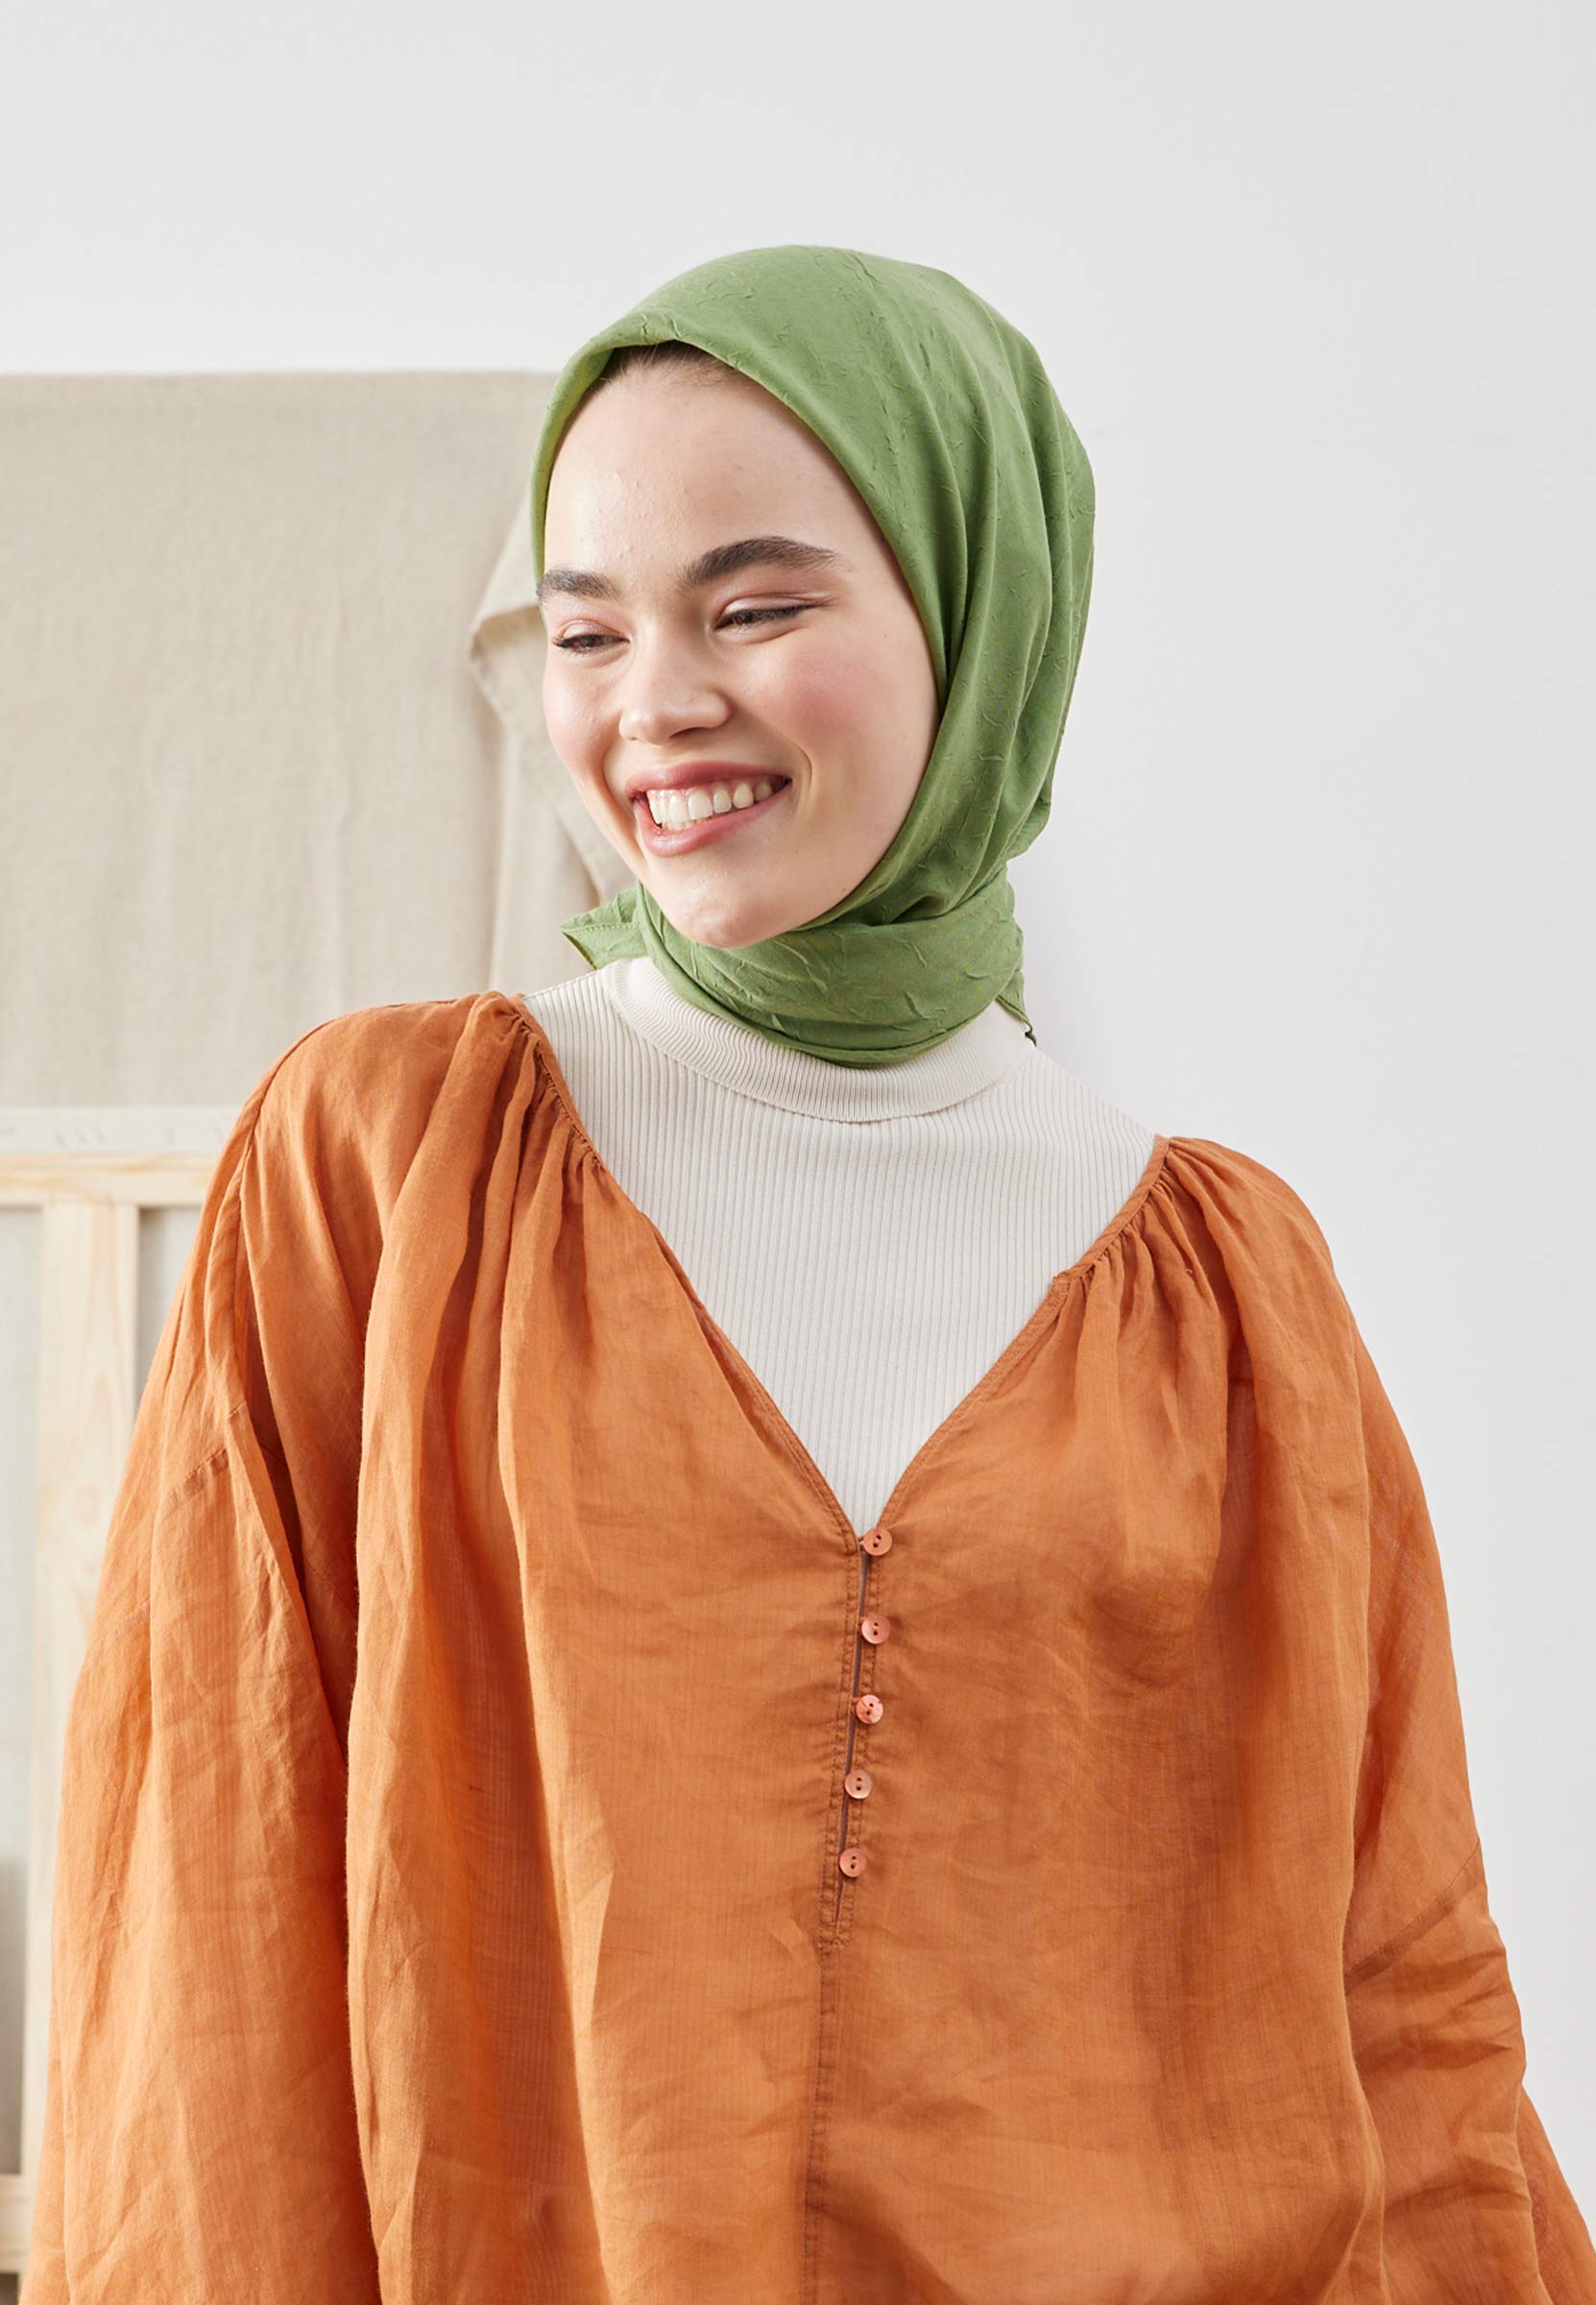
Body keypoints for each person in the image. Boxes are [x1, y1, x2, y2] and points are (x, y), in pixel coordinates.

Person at [22, 245, 1593, 2304]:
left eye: (753, 607)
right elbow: (204, 1941)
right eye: (587, 630)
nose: (654, 703)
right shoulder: (385, 1170)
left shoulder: (1236, 1294)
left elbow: (1401, 2003)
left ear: (979, 611)